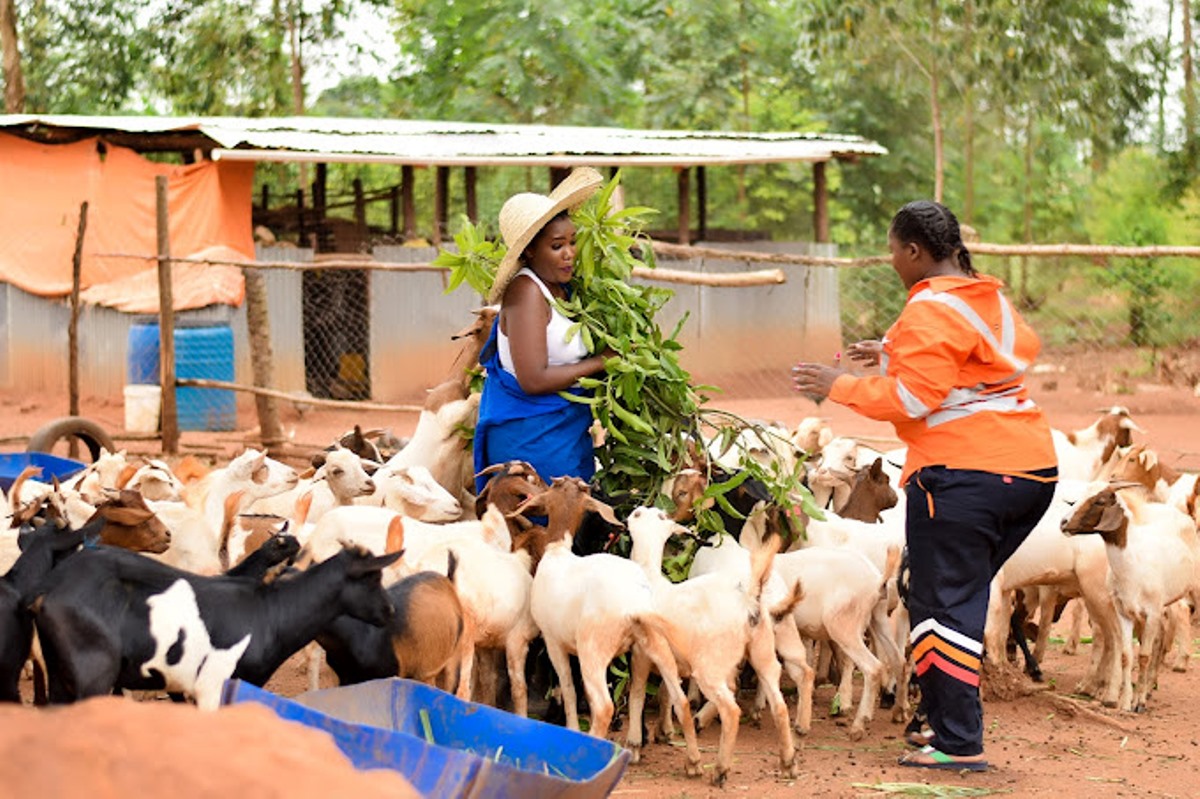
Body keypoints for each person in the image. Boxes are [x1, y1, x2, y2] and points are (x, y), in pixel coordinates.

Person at [791, 200, 1058, 771]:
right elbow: (990, 357)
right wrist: (892, 352)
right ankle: (940, 718)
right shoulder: (987, 297)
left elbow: (913, 399)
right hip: (1031, 472)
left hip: (966, 474)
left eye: (893, 251)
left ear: (914, 251)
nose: (891, 262)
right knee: (941, 589)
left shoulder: (929, 309)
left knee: (943, 604)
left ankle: (958, 742)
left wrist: (841, 385)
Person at [473, 167, 613, 494]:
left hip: (565, 433)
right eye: (556, 246)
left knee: (571, 531)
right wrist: (601, 363)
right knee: (541, 531)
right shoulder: (527, 292)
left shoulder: (564, 290)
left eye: (572, 242)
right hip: (531, 441)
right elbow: (533, 379)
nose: (569, 253)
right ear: (531, 251)